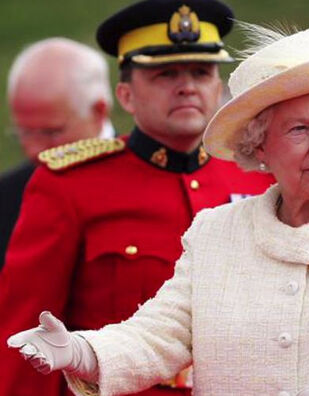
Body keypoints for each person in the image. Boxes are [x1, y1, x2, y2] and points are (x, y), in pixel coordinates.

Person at [7, 23, 309, 396]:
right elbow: (157, 336)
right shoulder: (216, 234)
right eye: (298, 131)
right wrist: (81, 350)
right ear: (259, 148)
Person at [0, 1, 275, 395]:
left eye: (201, 72)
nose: (187, 86)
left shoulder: (257, 180)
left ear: (219, 87)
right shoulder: (70, 185)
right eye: (165, 74)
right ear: (126, 96)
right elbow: (25, 333)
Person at [0, 37, 115, 271]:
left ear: (99, 112)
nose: (34, 150)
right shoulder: (6, 199)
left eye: (50, 132)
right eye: (23, 132)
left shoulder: (149, 177)